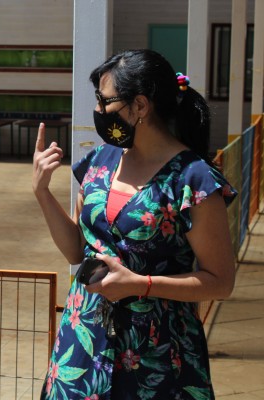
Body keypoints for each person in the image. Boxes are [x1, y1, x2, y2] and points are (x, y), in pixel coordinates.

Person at [32, 49, 237, 399]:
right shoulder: (100, 161)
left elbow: (220, 282)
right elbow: (76, 251)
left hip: (159, 354)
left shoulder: (193, 179)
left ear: (140, 105)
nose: (98, 110)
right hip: (85, 339)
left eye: (105, 100)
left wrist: (140, 284)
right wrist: (42, 192)